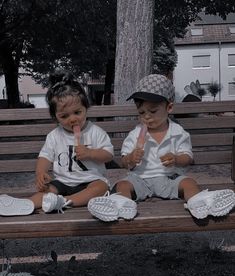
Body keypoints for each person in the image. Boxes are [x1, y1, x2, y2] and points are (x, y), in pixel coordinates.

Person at [88, 74, 235, 222]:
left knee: (189, 183)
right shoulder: (135, 134)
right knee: (122, 184)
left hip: (169, 177)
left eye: (152, 111)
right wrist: (131, 158)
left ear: (169, 107)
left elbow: (188, 158)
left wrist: (176, 159)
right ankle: (121, 204)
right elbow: (124, 161)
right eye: (141, 112)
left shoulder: (178, 132)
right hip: (140, 179)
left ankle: (199, 202)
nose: (147, 117)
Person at [0, 70, 114, 216]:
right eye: (64, 116)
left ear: (86, 108)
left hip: (90, 180)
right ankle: (27, 203)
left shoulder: (95, 132)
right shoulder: (54, 136)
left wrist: (91, 153)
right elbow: (45, 157)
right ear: (56, 118)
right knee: (46, 191)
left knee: (102, 187)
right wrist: (41, 173)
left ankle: (64, 202)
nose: (72, 119)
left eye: (77, 113)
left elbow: (108, 155)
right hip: (62, 182)